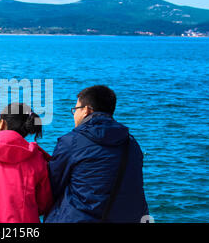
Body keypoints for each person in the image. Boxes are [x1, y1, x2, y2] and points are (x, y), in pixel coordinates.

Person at [44, 85, 149, 223]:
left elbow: (52, 186)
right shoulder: (132, 144)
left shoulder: (71, 142)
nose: (74, 115)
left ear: (86, 110)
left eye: (75, 110)